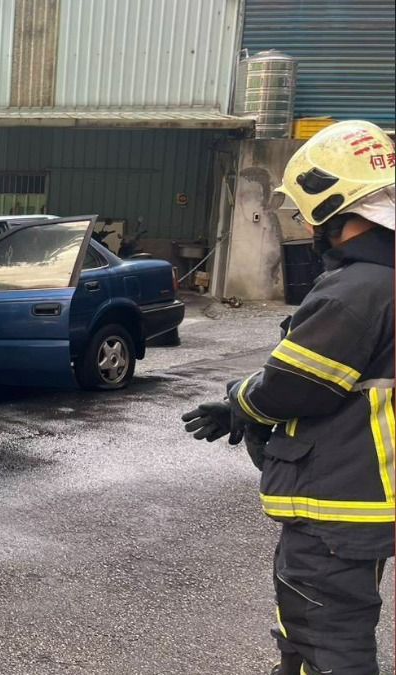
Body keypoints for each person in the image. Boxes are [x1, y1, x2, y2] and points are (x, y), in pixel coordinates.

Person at [182, 120, 395, 675]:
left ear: (335, 207)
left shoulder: (359, 289)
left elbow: (294, 385)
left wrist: (240, 401)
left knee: (327, 638)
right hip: (366, 499)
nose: (304, 225)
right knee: (318, 627)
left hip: (339, 503)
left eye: (307, 212)